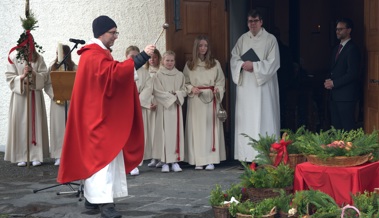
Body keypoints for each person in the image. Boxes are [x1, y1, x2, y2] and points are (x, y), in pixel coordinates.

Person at [57, 15, 155, 218]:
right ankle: (103, 203)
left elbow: (112, 76)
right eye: (113, 33)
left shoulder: (98, 54)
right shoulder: (92, 55)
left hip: (97, 115)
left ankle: (93, 201)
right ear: (102, 32)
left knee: (103, 158)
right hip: (96, 118)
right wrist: (141, 57)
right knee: (101, 158)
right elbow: (113, 74)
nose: (116, 37)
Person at [230, 9, 280, 162]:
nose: (252, 24)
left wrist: (255, 66)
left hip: (263, 87)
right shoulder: (243, 39)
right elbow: (234, 58)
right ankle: (246, 156)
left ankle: (266, 157)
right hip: (246, 87)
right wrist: (241, 65)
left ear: (261, 22)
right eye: (250, 21)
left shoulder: (270, 39)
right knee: (246, 120)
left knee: (264, 118)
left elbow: (274, 62)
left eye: (255, 21)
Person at [183, 35, 226, 170]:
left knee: (210, 129)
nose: (203, 48)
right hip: (196, 100)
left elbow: (220, 81)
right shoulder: (190, 64)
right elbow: (184, 82)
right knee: (197, 129)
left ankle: (210, 159)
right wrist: (191, 88)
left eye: (205, 46)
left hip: (211, 98)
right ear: (196, 47)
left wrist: (218, 90)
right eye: (201, 46)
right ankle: (198, 160)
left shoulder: (214, 63)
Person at [5, 49, 50, 167]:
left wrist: (34, 73)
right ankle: (21, 156)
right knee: (21, 124)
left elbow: (45, 75)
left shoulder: (38, 58)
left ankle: (35, 156)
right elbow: (9, 77)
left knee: (35, 123)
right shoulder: (14, 57)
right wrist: (23, 76)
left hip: (34, 93)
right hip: (21, 95)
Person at [152, 50, 187, 173]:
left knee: (175, 134)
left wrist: (177, 94)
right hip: (164, 108)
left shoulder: (180, 75)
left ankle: (175, 161)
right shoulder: (158, 75)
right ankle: (165, 162)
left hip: (175, 108)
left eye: (172, 60)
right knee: (164, 135)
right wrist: (170, 97)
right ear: (163, 61)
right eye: (167, 60)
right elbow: (157, 91)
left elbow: (184, 90)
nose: (170, 63)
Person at [324, 18, 361, 131]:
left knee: (347, 129)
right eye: (336, 29)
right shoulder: (336, 49)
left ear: (349, 30)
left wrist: (334, 83)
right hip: (334, 96)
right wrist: (329, 81)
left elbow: (353, 73)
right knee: (336, 130)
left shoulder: (352, 49)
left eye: (340, 29)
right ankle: (337, 149)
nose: (337, 31)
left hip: (346, 97)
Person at [44, 44, 77, 166]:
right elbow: (47, 84)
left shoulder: (74, 67)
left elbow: (78, 83)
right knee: (58, 129)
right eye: (57, 53)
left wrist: (72, 95)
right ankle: (59, 155)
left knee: (71, 128)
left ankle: (72, 154)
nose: (58, 56)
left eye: (60, 53)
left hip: (71, 102)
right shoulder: (52, 67)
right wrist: (55, 95)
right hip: (57, 102)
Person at [125, 45, 153, 176]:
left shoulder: (144, 72)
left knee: (138, 134)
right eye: (132, 56)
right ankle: (126, 162)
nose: (135, 58)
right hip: (126, 106)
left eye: (137, 56)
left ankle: (136, 162)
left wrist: (138, 100)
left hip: (139, 105)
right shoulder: (123, 68)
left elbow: (148, 87)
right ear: (126, 56)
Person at [143, 49, 162, 168]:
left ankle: (160, 156)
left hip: (158, 101)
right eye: (150, 57)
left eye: (154, 57)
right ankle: (153, 157)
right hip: (148, 102)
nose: (152, 60)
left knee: (158, 130)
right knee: (151, 131)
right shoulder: (145, 72)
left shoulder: (162, 71)